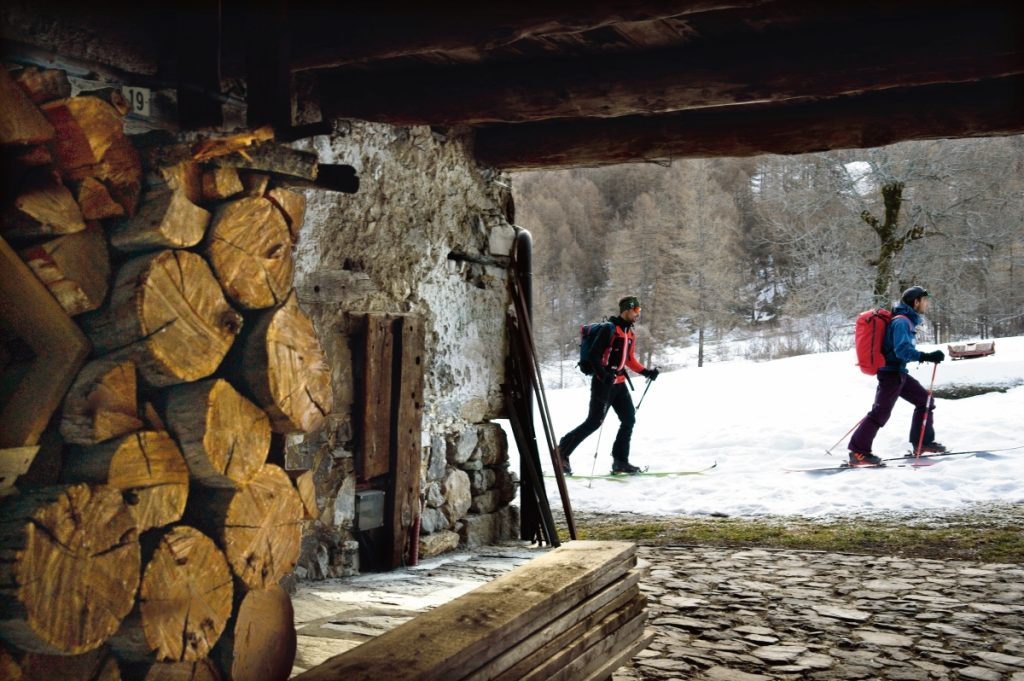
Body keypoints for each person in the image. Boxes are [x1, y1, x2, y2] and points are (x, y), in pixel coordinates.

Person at [557, 295, 659, 475]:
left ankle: (620, 462)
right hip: (603, 383)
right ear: (626, 310)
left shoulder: (630, 333)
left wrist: (646, 372)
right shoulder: (609, 330)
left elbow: (629, 360)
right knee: (594, 422)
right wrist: (604, 376)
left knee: (628, 419)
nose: (638, 314)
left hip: (619, 384)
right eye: (636, 310)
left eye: (639, 311)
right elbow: (594, 357)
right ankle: (561, 452)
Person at [848, 286, 946, 466]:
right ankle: (858, 452)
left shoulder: (907, 320)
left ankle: (922, 443)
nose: (927, 304)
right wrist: (926, 356)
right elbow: (902, 351)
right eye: (924, 301)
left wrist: (925, 356)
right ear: (915, 302)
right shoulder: (902, 322)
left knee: (925, 402)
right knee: (880, 414)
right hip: (890, 374)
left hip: (899, 373)